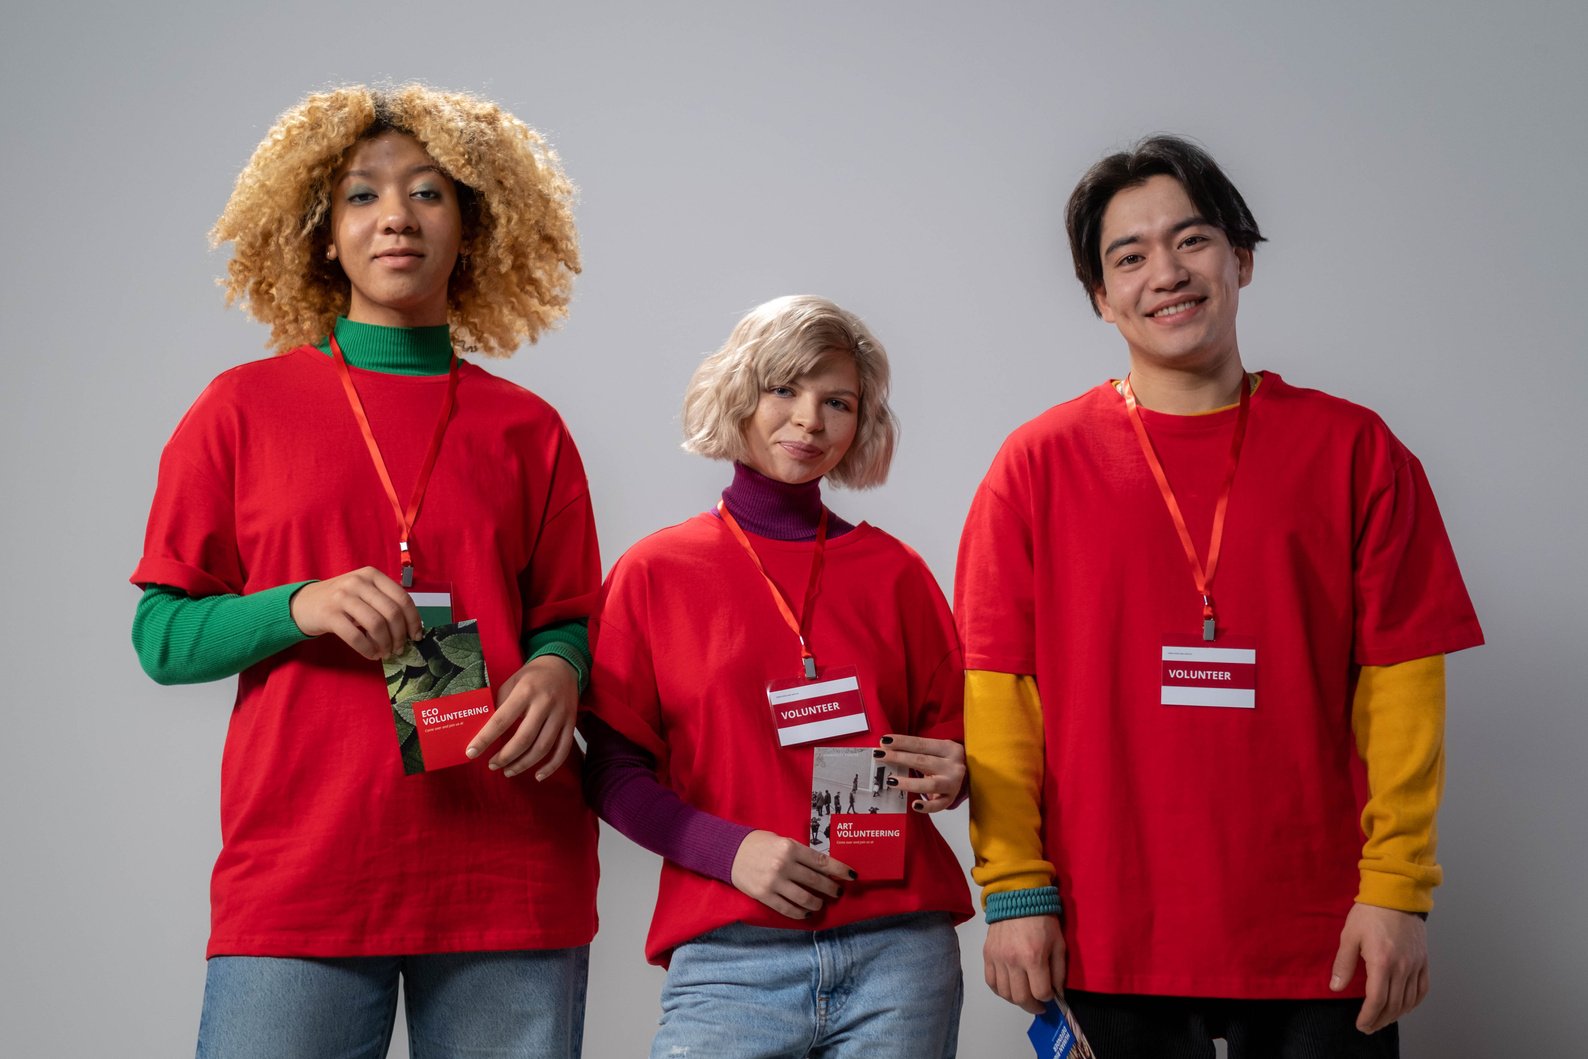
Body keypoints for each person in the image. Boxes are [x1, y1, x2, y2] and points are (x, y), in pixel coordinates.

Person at [957, 135, 1483, 1058]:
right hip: (1105, 930)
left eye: (1191, 240)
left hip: (1322, 931)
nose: (1166, 272)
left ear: (1240, 258)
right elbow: (1001, 697)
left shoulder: (1357, 452)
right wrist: (1015, 891)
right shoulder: (1034, 465)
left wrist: (1397, 884)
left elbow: (1402, 689)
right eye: (1129, 256)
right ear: (1100, 295)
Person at [131, 84, 599, 1058]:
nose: (396, 217)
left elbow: (568, 617)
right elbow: (163, 638)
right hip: (305, 872)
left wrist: (559, 669)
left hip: (506, 871)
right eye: (361, 196)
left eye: (430, 193)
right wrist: (298, 605)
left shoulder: (529, 429)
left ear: (473, 229)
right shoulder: (240, 411)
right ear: (320, 235)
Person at [582, 296, 974, 1058]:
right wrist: (727, 849)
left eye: (838, 402)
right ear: (740, 395)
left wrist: (958, 770)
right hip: (731, 957)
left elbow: (954, 742)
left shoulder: (897, 574)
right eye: (785, 390)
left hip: (899, 955)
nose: (810, 420)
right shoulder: (655, 573)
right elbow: (610, 771)